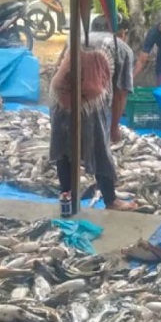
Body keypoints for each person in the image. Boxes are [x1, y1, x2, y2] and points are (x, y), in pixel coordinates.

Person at [49, 14, 137, 211]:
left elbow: (57, 68)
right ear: (122, 33)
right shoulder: (121, 46)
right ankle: (111, 200)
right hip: (91, 97)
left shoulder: (77, 37)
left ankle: (67, 196)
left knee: (63, 146)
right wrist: (113, 126)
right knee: (99, 146)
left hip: (57, 92)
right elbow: (121, 93)